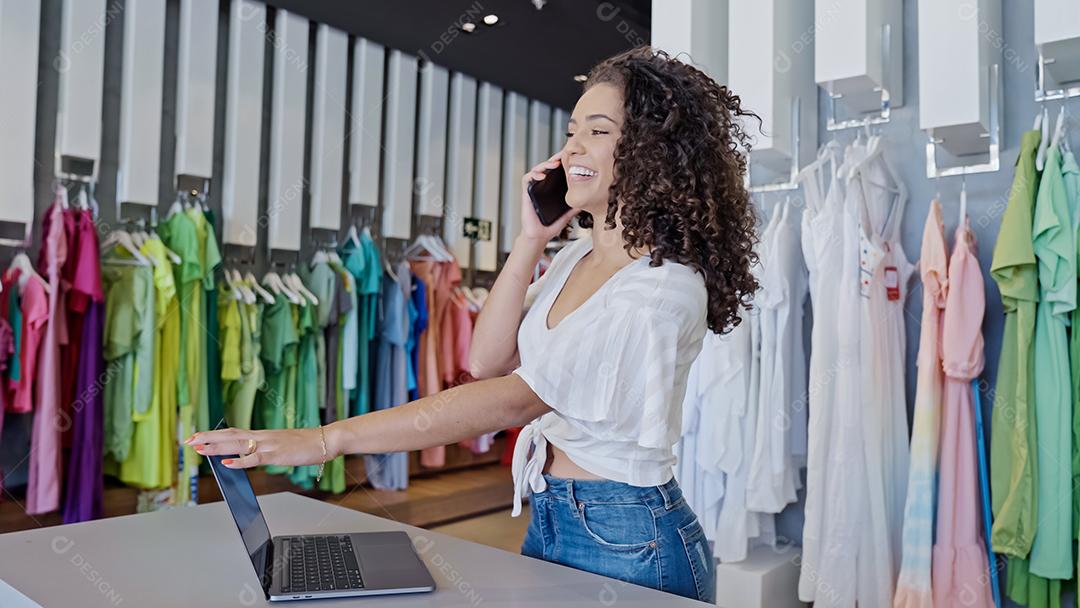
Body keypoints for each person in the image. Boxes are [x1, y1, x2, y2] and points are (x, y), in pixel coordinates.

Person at [188, 45, 760, 603]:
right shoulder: (574, 257)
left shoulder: (658, 287)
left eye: (599, 130)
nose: (572, 147)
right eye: (572, 129)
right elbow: (487, 359)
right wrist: (531, 238)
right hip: (558, 514)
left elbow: (511, 399)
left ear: (653, 150)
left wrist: (324, 439)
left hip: (630, 537)